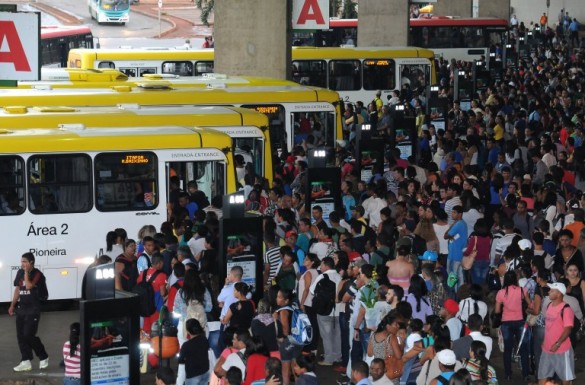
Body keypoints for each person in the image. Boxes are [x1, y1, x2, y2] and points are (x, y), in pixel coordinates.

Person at [10, 252, 49, 372]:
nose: (22, 264)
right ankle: (25, 360)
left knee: (28, 335)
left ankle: (43, 356)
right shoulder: (19, 272)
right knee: (21, 336)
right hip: (22, 308)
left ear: (31, 262)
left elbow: (28, 286)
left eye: (25, 262)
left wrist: (26, 272)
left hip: (33, 309)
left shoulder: (38, 274)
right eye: (21, 261)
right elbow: (18, 289)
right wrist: (12, 305)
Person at [494, 270, 531, 380]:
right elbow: (530, 304)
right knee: (524, 349)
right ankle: (525, 374)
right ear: (515, 279)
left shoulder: (501, 292)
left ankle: (508, 374)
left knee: (507, 350)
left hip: (506, 323)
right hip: (520, 321)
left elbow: (496, 311)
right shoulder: (522, 290)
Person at [538, 282, 576, 385]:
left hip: (561, 350)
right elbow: (548, 327)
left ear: (559, 293)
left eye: (552, 290)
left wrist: (558, 343)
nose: (549, 292)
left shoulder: (566, 309)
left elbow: (568, 329)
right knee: (542, 377)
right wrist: (544, 341)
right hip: (547, 349)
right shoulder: (549, 305)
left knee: (565, 379)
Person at [177, 319, 210, 385]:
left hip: (193, 375)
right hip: (205, 372)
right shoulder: (204, 339)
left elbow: (180, 360)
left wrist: (187, 360)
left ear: (188, 331)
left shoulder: (186, 345)